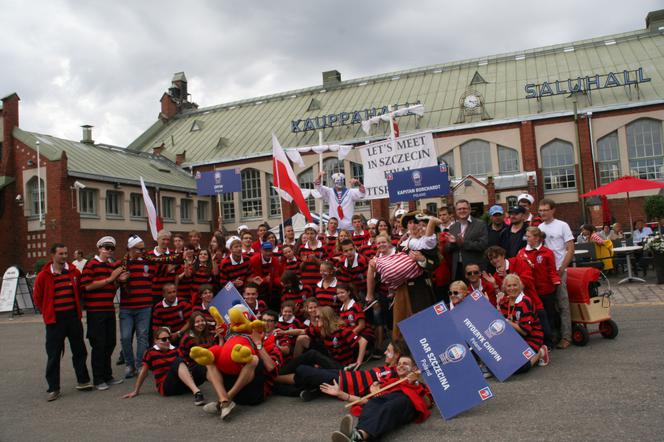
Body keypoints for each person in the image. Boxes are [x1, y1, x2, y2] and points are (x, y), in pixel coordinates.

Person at [122, 327, 234, 419]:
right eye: (163, 339)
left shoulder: (175, 349)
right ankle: (197, 393)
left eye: (168, 338)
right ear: (156, 340)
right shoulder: (151, 352)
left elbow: (186, 367)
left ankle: (223, 397)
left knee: (206, 364)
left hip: (183, 383)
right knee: (177, 361)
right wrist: (136, 390)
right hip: (167, 386)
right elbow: (144, 371)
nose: (167, 341)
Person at [33, 243, 93, 401]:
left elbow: (81, 290)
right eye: (61, 253)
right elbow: (38, 298)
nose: (64, 256)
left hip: (73, 318)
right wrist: (47, 312)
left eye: (66, 253)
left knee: (79, 350)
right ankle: (53, 388)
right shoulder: (43, 275)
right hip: (55, 321)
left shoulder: (74, 272)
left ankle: (83, 381)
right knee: (53, 354)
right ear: (53, 255)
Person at [329, 355, 431, 442]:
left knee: (390, 405)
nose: (400, 366)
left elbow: (427, 403)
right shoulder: (389, 383)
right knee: (372, 404)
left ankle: (355, 435)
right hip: (388, 403)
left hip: (406, 404)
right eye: (399, 363)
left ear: (414, 368)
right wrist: (342, 394)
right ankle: (358, 435)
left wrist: (415, 383)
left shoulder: (419, 385)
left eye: (405, 363)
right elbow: (367, 401)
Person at [81, 236, 128, 390]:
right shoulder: (91, 264)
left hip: (108, 309)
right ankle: (98, 378)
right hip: (96, 311)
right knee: (99, 344)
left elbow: (110, 289)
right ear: (99, 248)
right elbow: (87, 286)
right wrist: (111, 278)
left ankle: (107, 375)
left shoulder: (109, 266)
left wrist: (118, 281)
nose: (109, 251)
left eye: (111, 248)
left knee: (110, 343)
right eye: (106, 248)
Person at [538, 198, 574, 349]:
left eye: (546, 210)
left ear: (553, 210)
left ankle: (567, 336)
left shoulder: (562, 225)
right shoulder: (539, 227)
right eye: (540, 210)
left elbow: (570, 249)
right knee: (550, 305)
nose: (543, 213)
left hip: (559, 270)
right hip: (545, 273)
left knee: (563, 303)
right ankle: (554, 334)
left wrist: (561, 269)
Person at [517, 226, 560, 349]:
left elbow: (552, 270)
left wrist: (556, 281)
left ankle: (550, 340)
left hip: (546, 290)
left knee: (549, 315)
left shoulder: (547, 252)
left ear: (536, 238)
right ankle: (536, 340)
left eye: (529, 236)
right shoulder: (521, 253)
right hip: (530, 291)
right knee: (535, 316)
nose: (526, 239)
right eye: (526, 236)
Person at [118, 235, 153, 379]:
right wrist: (119, 280)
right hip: (126, 307)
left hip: (144, 306)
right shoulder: (122, 264)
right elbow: (113, 284)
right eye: (140, 249)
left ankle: (139, 365)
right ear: (131, 249)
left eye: (144, 248)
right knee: (125, 337)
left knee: (142, 337)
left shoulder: (148, 262)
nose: (143, 251)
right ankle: (129, 364)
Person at [498, 274, 548, 371]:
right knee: (503, 363)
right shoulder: (504, 302)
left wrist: (508, 322)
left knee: (520, 367)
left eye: (515, 285)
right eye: (509, 286)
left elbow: (525, 331)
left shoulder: (525, 302)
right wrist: (497, 305)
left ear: (520, 287)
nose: (512, 288)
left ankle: (541, 352)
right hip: (515, 338)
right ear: (504, 288)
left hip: (531, 337)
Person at [446, 199, 488, 281]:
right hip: (457, 267)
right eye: (459, 209)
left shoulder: (480, 224)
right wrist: (452, 243)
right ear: (456, 211)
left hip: (474, 269)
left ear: (469, 209)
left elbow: (483, 245)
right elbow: (447, 249)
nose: (462, 211)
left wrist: (463, 243)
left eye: (464, 208)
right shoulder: (453, 227)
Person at [248, 241, 283, 310]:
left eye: (270, 250)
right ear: (261, 250)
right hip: (257, 289)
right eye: (266, 250)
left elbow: (276, 277)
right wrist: (264, 280)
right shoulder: (254, 260)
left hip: (270, 289)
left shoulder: (275, 261)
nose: (268, 253)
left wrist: (281, 282)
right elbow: (253, 277)